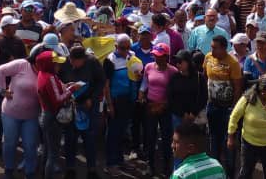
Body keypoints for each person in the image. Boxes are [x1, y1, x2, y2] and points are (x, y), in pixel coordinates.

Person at [59, 44, 105, 178]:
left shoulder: (93, 62)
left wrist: (92, 98)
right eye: (71, 61)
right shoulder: (65, 63)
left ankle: (92, 169)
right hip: (71, 105)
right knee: (70, 138)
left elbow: (101, 81)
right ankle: (70, 168)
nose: (73, 64)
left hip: (88, 105)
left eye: (76, 62)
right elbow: (58, 80)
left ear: (83, 59)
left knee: (89, 138)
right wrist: (65, 88)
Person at [227, 75, 266, 179]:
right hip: (249, 144)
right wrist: (230, 137)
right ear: (263, 91)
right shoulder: (247, 100)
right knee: (246, 172)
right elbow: (234, 117)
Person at [36, 50, 80, 179]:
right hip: (52, 118)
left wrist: (65, 86)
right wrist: (72, 89)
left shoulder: (42, 74)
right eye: (56, 63)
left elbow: (54, 92)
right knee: (53, 154)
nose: (59, 66)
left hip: (45, 115)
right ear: (49, 64)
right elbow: (58, 99)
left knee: (47, 150)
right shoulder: (50, 77)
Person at [0, 54, 41, 179]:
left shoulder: (46, 71)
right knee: (10, 143)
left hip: (31, 116)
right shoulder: (22, 64)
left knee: (30, 145)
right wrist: (2, 90)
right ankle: (8, 170)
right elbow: (0, 71)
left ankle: (30, 172)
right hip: (11, 113)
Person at [204, 35, 242, 175]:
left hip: (227, 108)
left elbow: (237, 88)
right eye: (212, 47)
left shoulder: (233, 63)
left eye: (215, 48)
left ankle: (230, 173)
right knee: (213, 138)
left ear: (224, 48)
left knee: (228, 142)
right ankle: (215, 172)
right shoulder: (208, 58)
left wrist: (233, 108)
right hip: (212, 106)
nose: (212, 50)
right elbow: (205, 76)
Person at [140, 42, 178, 176]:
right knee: (150, 136)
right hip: (150, 106)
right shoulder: (149, 67)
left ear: (166, 57)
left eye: (160, 56)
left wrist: (163, 105)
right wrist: (141, 93)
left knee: (166, 138)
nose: (156, 58)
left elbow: (174, 93)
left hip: (165, 108)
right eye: (155, 55)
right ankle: (150, 165)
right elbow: (145, 83)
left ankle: (167, 166)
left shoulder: (173, 71)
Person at [103, 34, 138, 175]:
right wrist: (109, 105)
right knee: (113, 133)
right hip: (115, 101)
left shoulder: (132, 56)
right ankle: (111, 163)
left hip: (128, 99)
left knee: (122, 132)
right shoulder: (110, 60)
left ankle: (120, 160)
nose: (126, 51)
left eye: (128, 47)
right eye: (123, 48)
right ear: (116, 46)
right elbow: (106, 85)